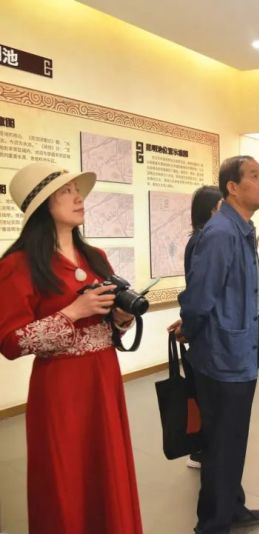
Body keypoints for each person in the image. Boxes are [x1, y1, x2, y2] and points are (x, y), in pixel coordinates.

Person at [0, 161, 142, 533]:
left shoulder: (96, 257)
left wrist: (121, 318)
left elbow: (108, 327)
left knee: (106, 467)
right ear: (43, 204)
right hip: (61, 388)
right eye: (66, 192)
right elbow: (11, 342)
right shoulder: (18, 265)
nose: (78, 198)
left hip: (103, 379)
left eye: (77, 190)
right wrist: (72, 313)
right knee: (65, 475)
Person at [177, 155, 259, 532]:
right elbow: (200, 297)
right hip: (221, 358)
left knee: (232, 440)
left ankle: (232, 506)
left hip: (239, 353)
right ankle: (212, 524)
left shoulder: (241, 229)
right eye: (254, 176)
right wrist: (191, 330)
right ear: (232, 187)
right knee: (220, 444)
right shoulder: (220, 233)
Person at [174, 185, 223, 470]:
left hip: (205, 328)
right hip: (205, 332)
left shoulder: (207, 239)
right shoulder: (202, 241)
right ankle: (201, 451)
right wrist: (190, 324)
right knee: (205, 397)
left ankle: (204, 450)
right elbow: (200, 292)